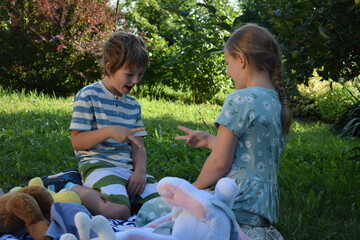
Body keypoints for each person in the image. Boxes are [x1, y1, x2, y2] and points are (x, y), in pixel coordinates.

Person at [174, 23, 292, 229]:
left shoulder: (240, 99)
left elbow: (219, 162)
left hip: (236, 199)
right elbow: (253, 150)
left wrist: (191, 191)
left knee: (155, 210)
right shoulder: (276, 101)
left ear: (241, 59)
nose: (228, 72)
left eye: (227, 63)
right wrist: (211, 140)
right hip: (262, 206)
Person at [67, 31, 158, 220]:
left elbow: (138, 145)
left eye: (140, 74)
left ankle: (125, 196)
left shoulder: (133, 105)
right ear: (109, 68)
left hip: (127, 170)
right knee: (119, 211)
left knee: (164, 206)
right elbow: (77, 141)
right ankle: (71, 189)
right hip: (98, 166)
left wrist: (140, 171)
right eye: (130, 74)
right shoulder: (88, 96)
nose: (135, 81)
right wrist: (108, 132)